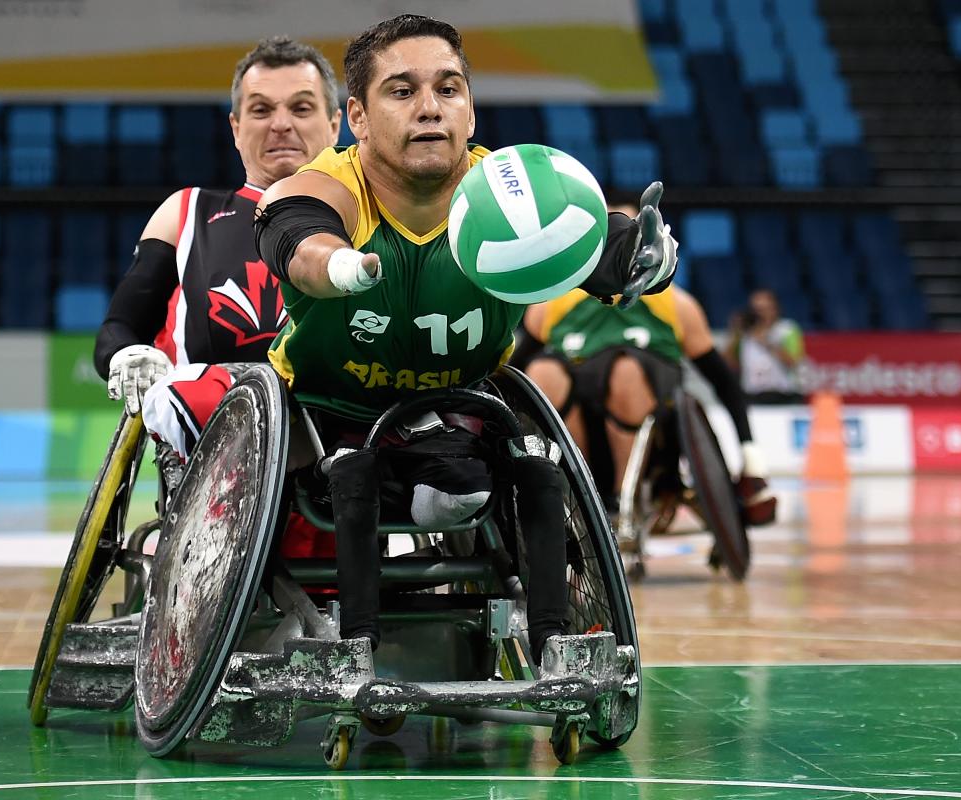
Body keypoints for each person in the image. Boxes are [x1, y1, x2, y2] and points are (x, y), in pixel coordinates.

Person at [252, 14, 679, 659]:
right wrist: (335, 264)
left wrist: (640, 257)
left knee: (534, 463)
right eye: (402, 91)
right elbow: (295, 233)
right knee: (354, 470)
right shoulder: (331, 185)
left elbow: (589, 240)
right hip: (321, 420)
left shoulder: (505, 194)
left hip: (453, 417)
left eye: (448, 90)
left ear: (471, 112)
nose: (430, 109)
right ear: (358, 119)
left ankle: (556, 646)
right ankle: (356, 648)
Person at [93, 36, 342, 457]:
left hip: (340, 448)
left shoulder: (369, 215)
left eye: (301, 108)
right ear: (236, 127)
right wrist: (128, 354)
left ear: (335, 124)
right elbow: (119, 328)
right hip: (212, 454)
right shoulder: (185, 212)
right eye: (261, 110)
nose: (281, 124)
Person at [523, 278, 778, 528]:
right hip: (581, 426)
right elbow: (513, 371)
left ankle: (622, 499)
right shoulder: (554, 304)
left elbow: (724, 383)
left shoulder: (676, 305)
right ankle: (575, 492)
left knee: (626, 373)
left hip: (652, 436)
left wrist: (749, 449)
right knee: (543, 371)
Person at [724, 288, 806, 405]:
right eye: (755, 310)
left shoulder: (787, 329)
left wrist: (766, 341)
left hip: (783, 394)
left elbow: (793, 363)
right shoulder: (745, 334)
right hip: (752, 396)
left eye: (763, 309)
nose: (759, 314)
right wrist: (734, 335)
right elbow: (729, 363)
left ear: (775, 309)